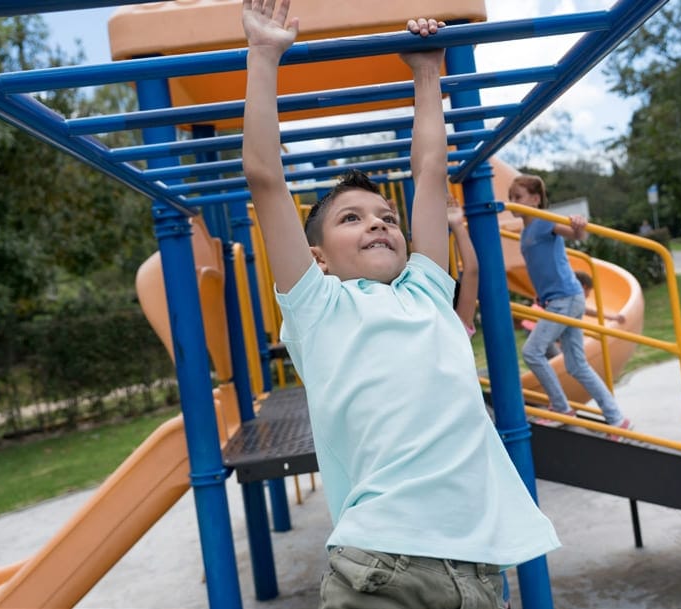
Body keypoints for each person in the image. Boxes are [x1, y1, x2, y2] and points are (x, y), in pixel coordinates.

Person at [241, 3, 560, 607]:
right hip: (380, 563)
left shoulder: (427, 294)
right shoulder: (319, 306)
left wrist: (426, 73)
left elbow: (430, 172)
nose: (378, 223)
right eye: (351, 219)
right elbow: (265, 178)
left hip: (477, 570)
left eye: (387, 216)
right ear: (318, 257)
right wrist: (263, 55)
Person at [508, 174, 633, 438]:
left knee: (532, 352)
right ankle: (617, 419)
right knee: (577, 365)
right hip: (561, 298)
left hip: (564, 298)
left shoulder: (544, 221)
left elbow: (576, 234)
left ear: (535, 199)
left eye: (517, 197)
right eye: (510, 198)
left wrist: (579, 226)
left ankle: (561, 407)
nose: (512, 202)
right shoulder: (525, 232)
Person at [447, 195, 478, 337]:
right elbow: (472, 270)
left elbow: (472, 271)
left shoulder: (456, 331)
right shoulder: (457, 331)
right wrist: (457, 224)